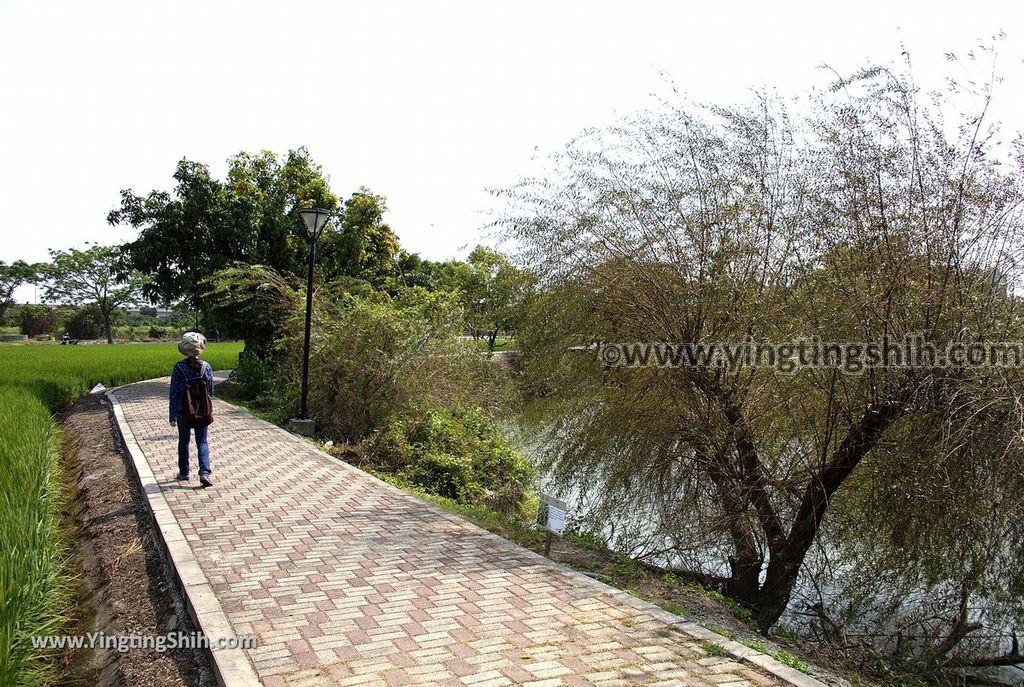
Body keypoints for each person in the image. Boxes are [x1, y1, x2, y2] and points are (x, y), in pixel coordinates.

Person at [169, 332, 214, 487]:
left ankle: (184, 472)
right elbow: (210, 391)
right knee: (202, 442)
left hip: (183, 411)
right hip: (202, 411)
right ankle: (205, 472)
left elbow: (173, 393)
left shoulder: (179, 368)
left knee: (184, 441)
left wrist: (172, 415)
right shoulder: (205, 367)